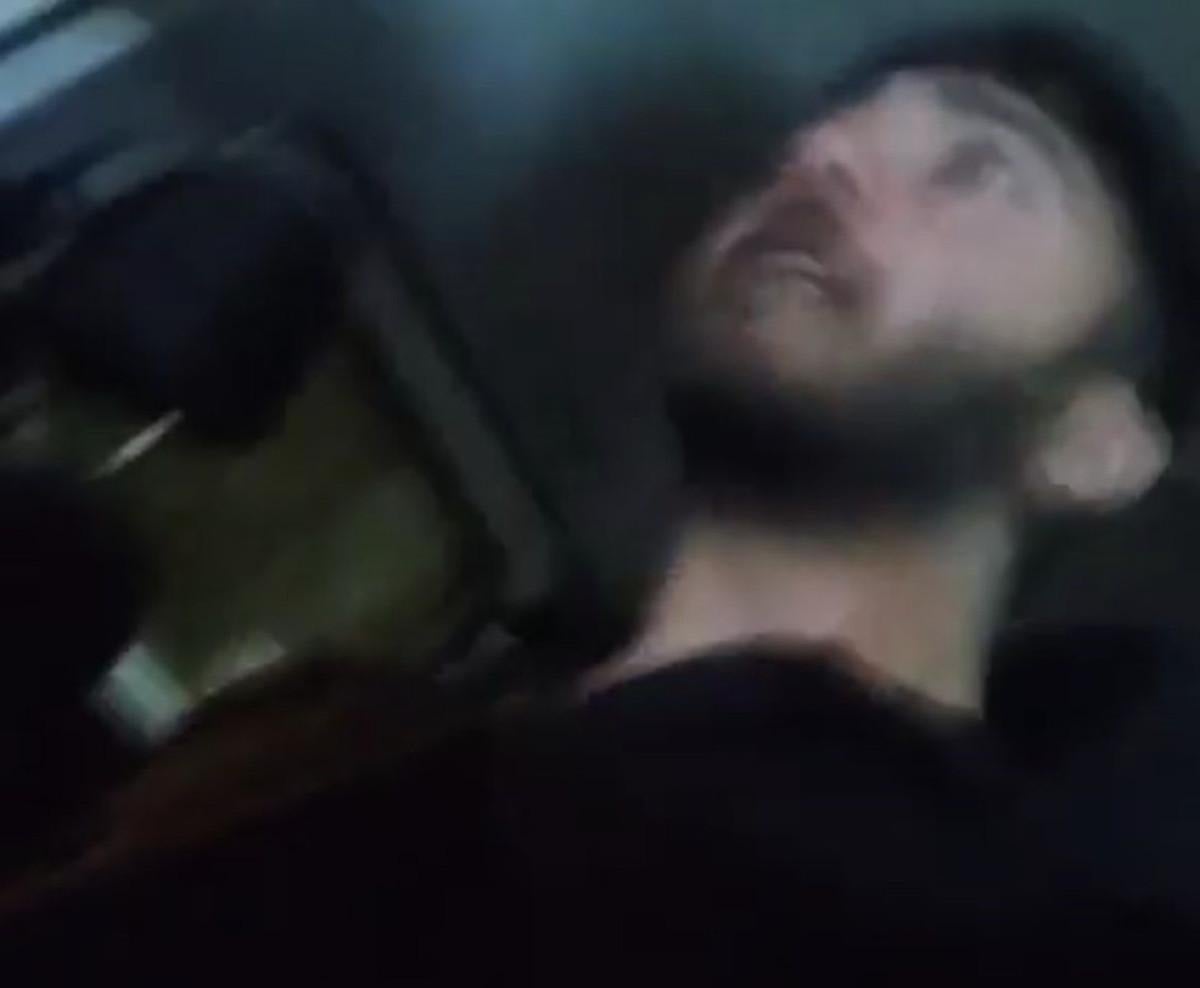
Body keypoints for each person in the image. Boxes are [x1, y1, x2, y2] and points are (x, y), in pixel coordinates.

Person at [4, 16, 1200, 984]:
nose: (825, 156)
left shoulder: (997, 930)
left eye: (980, 167)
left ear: (1096, 443)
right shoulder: (352, 737)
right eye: (826, 133)